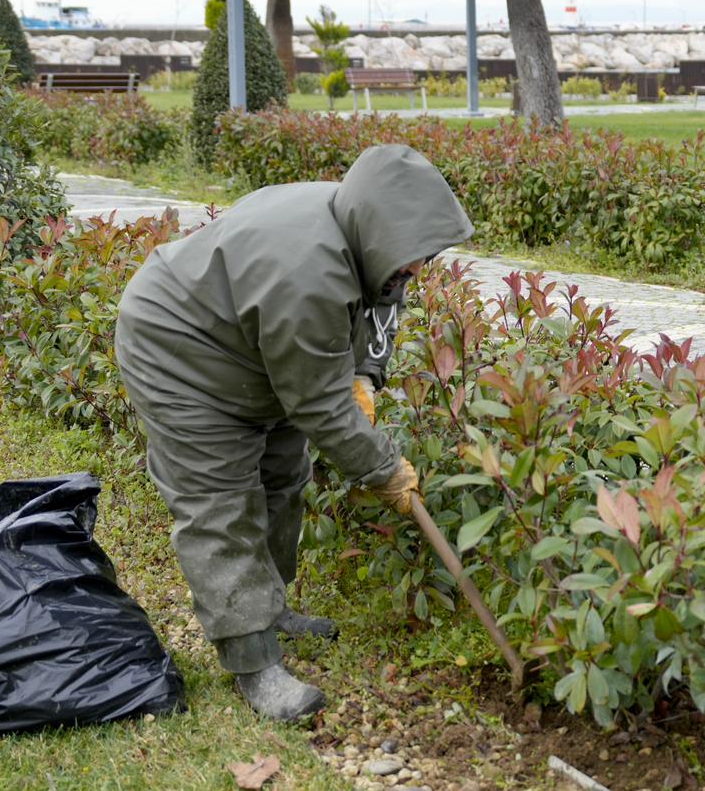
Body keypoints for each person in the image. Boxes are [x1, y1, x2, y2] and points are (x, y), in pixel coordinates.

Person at [114, 145, 473, 720]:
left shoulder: (364, 232)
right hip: (179, 352)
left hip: (255, 350)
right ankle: (253, 660)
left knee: (283, 476)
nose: (417, 270)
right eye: (412, 256)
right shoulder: (306, 269)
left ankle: (271, 607)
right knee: (220, 502)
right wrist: (385, 469)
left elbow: (383, 301)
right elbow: (321, 407)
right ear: (379, 227)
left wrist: (365, 375)